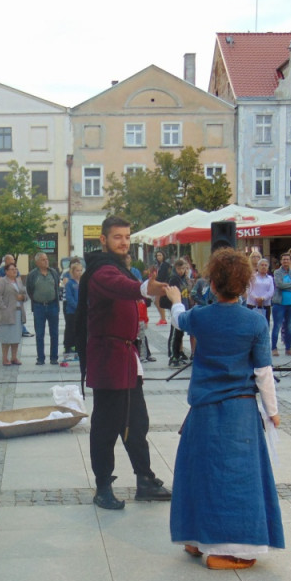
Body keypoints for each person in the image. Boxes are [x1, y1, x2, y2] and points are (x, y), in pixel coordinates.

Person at [164, 248, 283, 570]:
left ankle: (195, 537)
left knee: (199, 473)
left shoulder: (201, 316)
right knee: (237, 480)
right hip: (240, 412)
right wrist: (273, 412)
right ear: (245, 285)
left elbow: (178, 318)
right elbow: (263, 373)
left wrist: (176, 297)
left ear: (213, 284)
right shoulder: (255, 322)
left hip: (203, 410)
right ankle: (230, 550)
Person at [76, 216, 172, 510]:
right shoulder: (101, 271)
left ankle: (144, 479)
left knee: (136, 422)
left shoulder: (121, 268)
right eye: (118, 237)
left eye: (127, 237)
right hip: (108, 360)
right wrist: (145, 288)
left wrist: (152, 290)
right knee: (105, 427)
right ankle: (103, 486)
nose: (124, 242)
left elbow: (130, 288)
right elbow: (121, 287)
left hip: (128, 359)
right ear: (103, 240)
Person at [25, 251, 60, 365]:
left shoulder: (53, 272)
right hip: (39, 307)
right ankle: (40, 358)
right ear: (37, 262)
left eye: (47, 259)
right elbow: (29, 290)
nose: (46, 261)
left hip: (52, 306)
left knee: (54, 333)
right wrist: (36, 300)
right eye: (43, 259)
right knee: (39, 334)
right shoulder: (32, 275)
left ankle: (54, 357)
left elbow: (57, 286)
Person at [0, 261, 26, 366]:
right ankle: (4, 358)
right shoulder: (2, 281)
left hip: (18, 311)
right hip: (7, 313)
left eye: (15, 269)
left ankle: (14, 357)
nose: (14, 271)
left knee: (16, 337)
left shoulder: (18, 281)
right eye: (12, 269)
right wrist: (4, 309)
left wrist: (23, 297)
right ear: (6, 271)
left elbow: (24, 294)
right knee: (6, 337)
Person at [270, 251, 291, 357]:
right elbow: (279, 285)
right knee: (277, 326)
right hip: (279, 304)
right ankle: (274, 348)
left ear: (290, 261)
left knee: (289, 327)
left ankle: (288, 348)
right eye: (284, 259)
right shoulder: (277, 272)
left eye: (287, 259)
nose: (286, 261)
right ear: (281, 261)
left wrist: (287, 285)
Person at [62, 260, 82, 358]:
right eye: (77, 271)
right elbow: (69, 298)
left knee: (79, 331)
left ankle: (77, 348)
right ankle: (68, 347)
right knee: (70, 329)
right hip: (72, 311)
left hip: (81, 312)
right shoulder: (70, 283)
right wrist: (77, 307)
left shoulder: (82, 283)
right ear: (73, 272)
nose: (79, 273)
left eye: (80, 270)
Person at [246, 257, 274, 324]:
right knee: (252, 323)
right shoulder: (252, 277)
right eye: (262, 265)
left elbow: (271, 291)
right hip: (252, 303)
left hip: (265, 304)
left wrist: (263, 298)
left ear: (268, 267)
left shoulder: (270, 278)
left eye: (265, 265)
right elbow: (249, 289)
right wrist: (256, 298)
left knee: (265, 323)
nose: (263, 267)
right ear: (258, 267)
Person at [152, 249, 171, 325]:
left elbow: (165, 275)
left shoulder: (166, 265)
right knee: (157, 302)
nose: (158, 257)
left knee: (158, 302)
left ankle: (163, 318)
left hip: (162, 285)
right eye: (157, 255)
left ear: (163, 256)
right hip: (158, 284)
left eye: (160, 255)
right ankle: (162, 318)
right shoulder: (158, 265)